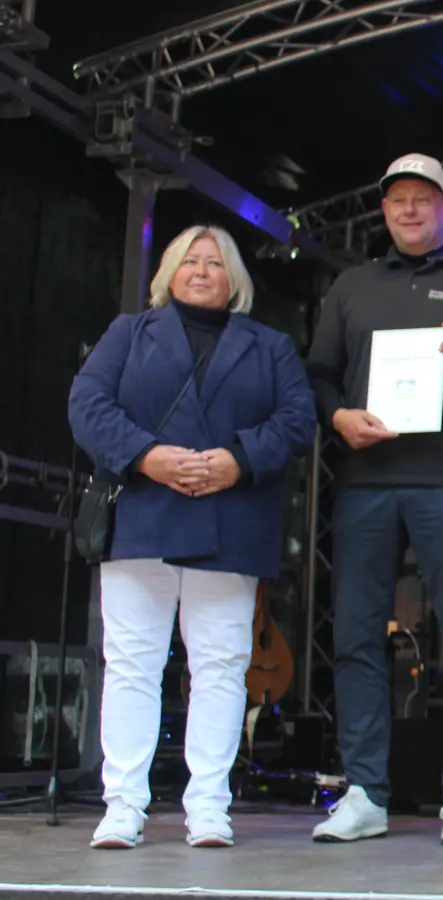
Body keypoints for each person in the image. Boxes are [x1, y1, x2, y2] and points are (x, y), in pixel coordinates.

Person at [68, 224, 317, 849]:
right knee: (130, 666)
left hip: (229, 519)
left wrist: (238, 458)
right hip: (146, 515)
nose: (202, 270)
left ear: (235, 279)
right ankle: (122, 804)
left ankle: (209, 805)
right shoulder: (130, 333)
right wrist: (147, 456)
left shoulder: (270, 345)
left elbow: (297, 420)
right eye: (190, 260)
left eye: (215, 262)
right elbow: (88, 403)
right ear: (169, 272)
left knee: (221, 667)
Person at [304, 153, 443, 846]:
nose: (410, 209)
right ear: (385, 209)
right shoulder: (351, 286)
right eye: (398, 199)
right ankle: (365, 791)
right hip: (365, 483)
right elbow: (320, 376)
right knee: (358, 637)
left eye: (425, 198)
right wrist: (337, 419)